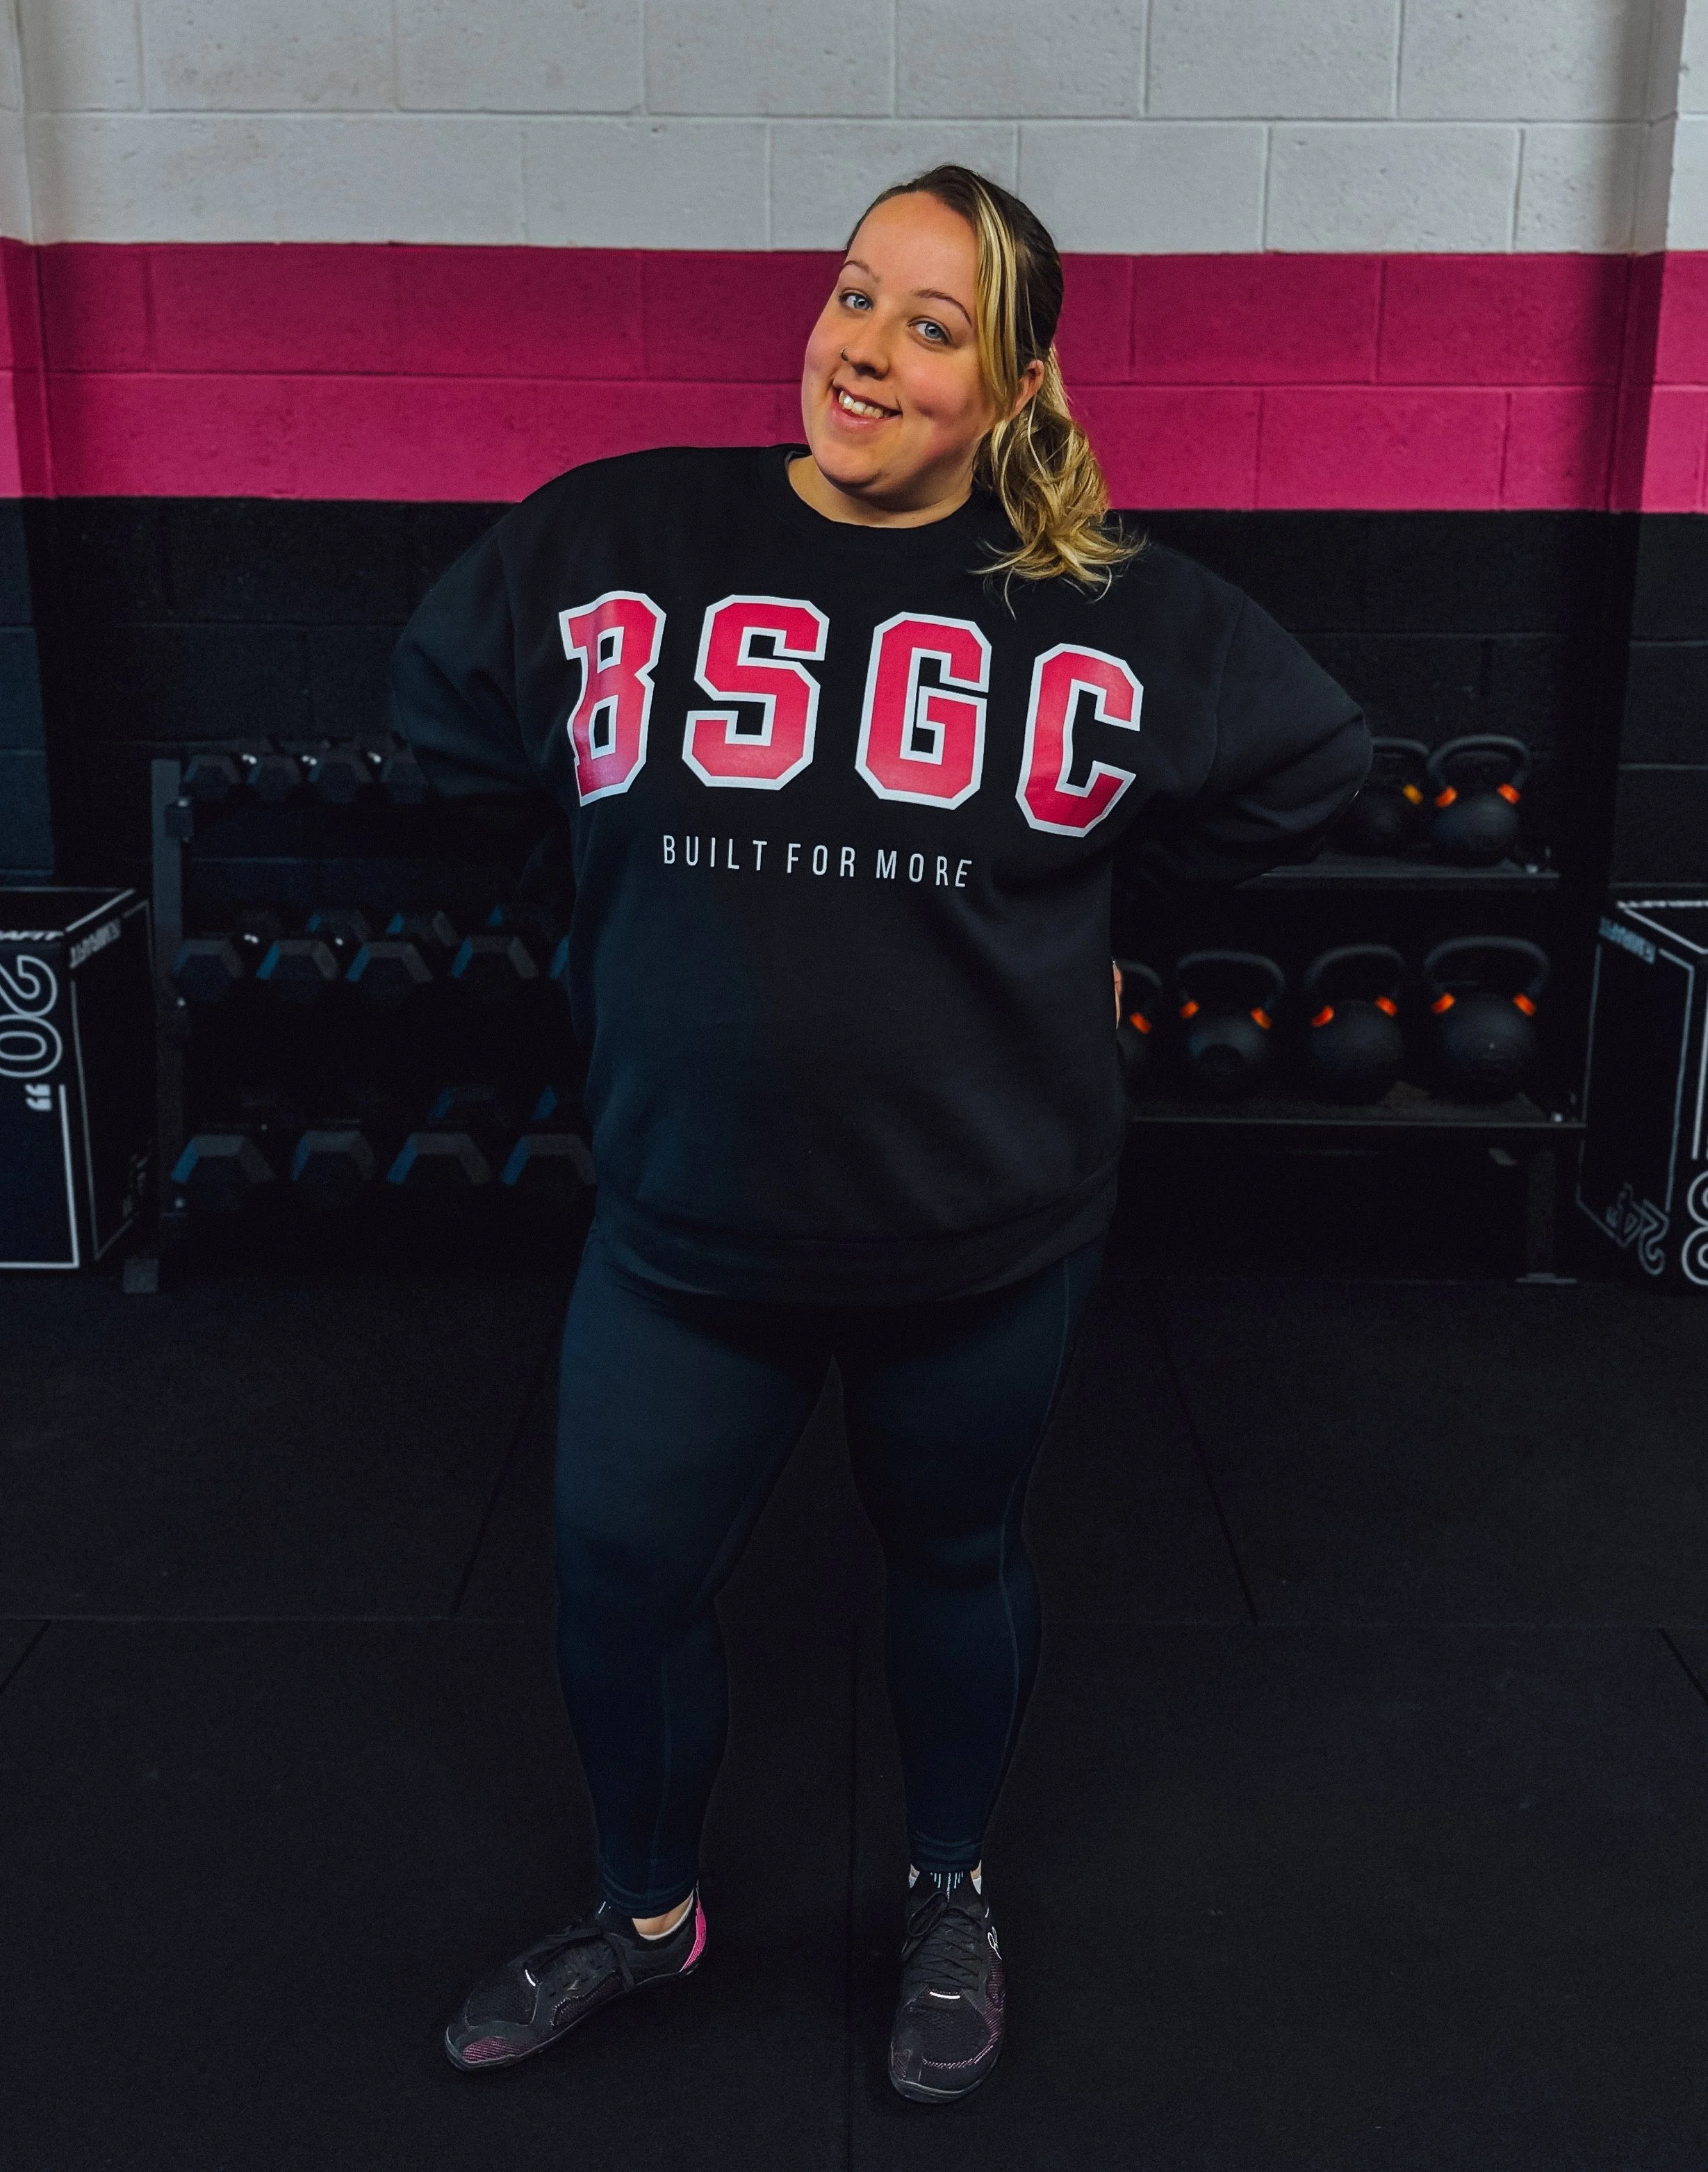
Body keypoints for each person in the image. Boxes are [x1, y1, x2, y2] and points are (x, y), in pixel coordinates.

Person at [391, 163, 1368, 2104]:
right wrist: (618, 892)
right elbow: (448, 705)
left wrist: (1101, 918)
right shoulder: (621, 530)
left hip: (978, 1227)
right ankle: (649, 1907)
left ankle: (945, 1890)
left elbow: (1312, 766)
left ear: (1009, 392)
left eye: (934, 329)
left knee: (951, 1558)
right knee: (613, 1569)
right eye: (856, 297)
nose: (869, 350)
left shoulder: (1100, 605)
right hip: (687, 1227)